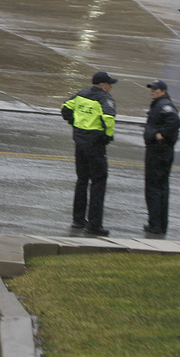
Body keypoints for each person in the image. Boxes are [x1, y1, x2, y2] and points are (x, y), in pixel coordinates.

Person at [61, 71, 118, 236]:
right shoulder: (104, 98)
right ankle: (94, 224)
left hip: (80, 143)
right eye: (109, 84)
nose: (111, 87)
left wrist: (74, 125)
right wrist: (107, 137)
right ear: (102, 85)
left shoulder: (82, 94)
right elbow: (108, 118)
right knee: (98, 183)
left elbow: (65, 108)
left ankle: (78, 219)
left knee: (82, 181)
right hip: (95, 144)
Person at [143, 79, 180, 235]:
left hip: (159, 151)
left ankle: (156, 224)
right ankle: (159, 223)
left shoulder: (164, 105)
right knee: (160, 187)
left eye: (155, 89)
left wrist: (160, 134)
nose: (152, 91)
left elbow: (174, 120)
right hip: (158, 151)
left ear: (163, 91)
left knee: (154, 188)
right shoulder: (158, 104)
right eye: (151, 88)